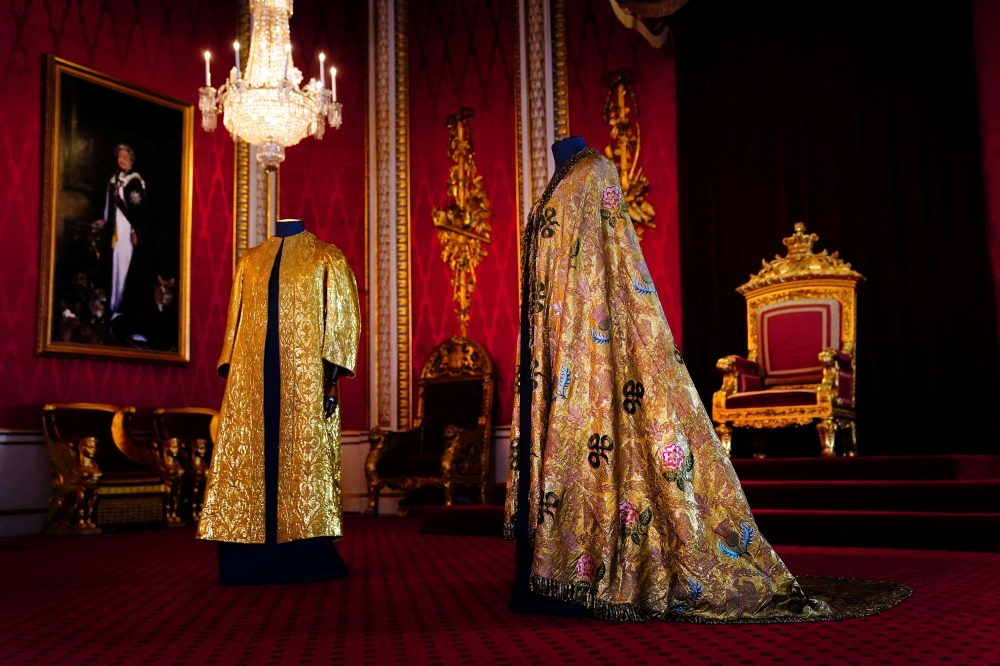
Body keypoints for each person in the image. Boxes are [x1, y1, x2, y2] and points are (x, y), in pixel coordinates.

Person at [504, 137, 910, 622]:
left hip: (588, 347)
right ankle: (550, 570)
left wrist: (585, 345)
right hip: (546, 349)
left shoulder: (595, 173)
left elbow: (611, 265)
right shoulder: (555, 185)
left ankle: (586, 568)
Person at [198, 219, 360, 585]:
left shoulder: (325, 257)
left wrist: (331, 380)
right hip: (253, 376)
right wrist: (236, 373)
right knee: (252, 460)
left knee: (301, 464)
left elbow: (341, 321)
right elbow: (235, 323)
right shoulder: (250, 260)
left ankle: (304, 552)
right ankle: (247, 555)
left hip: (305, 379)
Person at [93, 143, 151, 344]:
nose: (122, 160)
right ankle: (113, 307)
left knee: (127, 267)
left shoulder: (136, 181)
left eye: (125, 157)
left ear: (131, 160)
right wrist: (106, 220)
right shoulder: (114, 179)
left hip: (128, 232)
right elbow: (110, 203)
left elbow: (139, 211)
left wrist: (135, 230)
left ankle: (123, 309)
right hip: (115, 232)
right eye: (119, 157)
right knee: (114, 266)